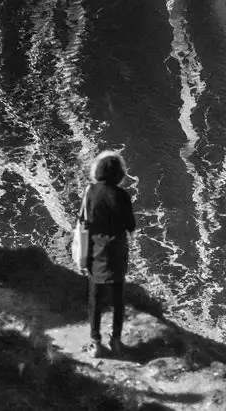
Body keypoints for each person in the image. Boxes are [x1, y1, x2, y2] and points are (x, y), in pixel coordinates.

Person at [82, 150, 136, 357]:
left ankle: (95, 343)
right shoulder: (121, 195)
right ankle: (116, 341)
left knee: (95, 298)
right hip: (117, 250)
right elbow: (130, 225)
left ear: (98, 169)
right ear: (119, 173)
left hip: (95, 249)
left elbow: (85, 222)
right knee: (118, 299)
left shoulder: (90, 192)